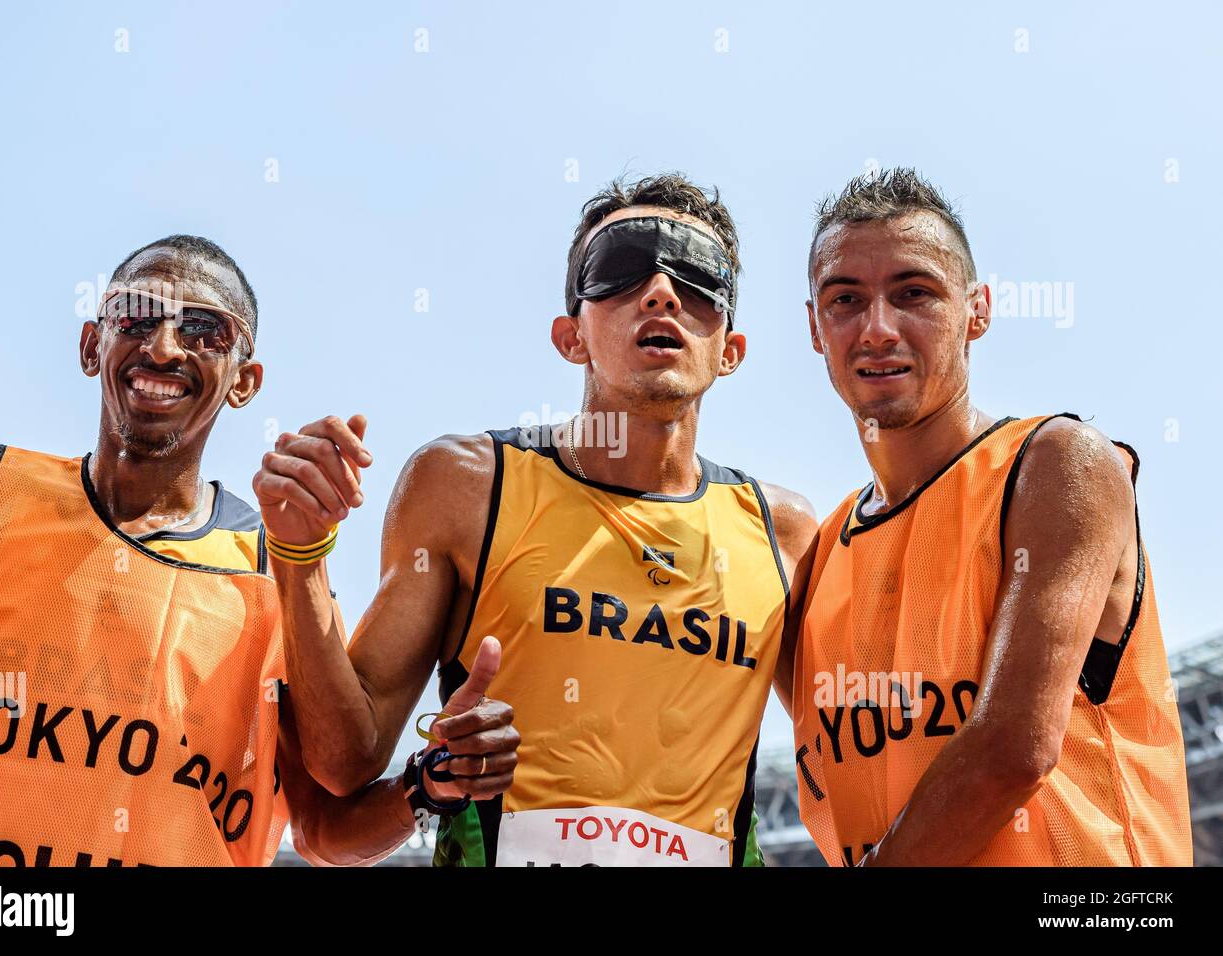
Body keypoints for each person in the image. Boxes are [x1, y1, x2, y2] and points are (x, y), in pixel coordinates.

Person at [255, 173, 818, 866]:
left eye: (700, 280)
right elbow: (339, 776)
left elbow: (855, 761)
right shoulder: (464, 487)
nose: (663, 292)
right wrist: (299, 554)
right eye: (620, 268)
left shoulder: (783, 533)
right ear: (569, 336)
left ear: (730, 348)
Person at [0, 235, 516, 866]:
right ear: (93, 345)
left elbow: (323, 823)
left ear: (245, 383)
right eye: (136, 313)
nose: (163, 346)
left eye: (205, 329)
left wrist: (428, 785)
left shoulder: (271, 574)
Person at [781, 168, 1192, 866]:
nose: (877, 328)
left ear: (978, 310)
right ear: (816, 329)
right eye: (845, 299)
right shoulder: (818, 557)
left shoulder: (1057, 464)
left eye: (914, 293)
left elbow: (1011, 751)